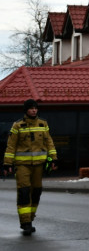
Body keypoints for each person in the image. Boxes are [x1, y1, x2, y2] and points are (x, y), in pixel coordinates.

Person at [3, 99, 57, 235]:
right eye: (31, 108)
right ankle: (25, 222)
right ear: (26, 110)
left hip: (39, 165)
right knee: (24, 192)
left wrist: (53, 159)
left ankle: (30, 218)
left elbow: (49, 142)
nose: (34, 110)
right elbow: (11, 146)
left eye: (35, 108)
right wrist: (7, 163)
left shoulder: (43, 124)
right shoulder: (17, 126)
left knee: (36, 192)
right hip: (22, 165)